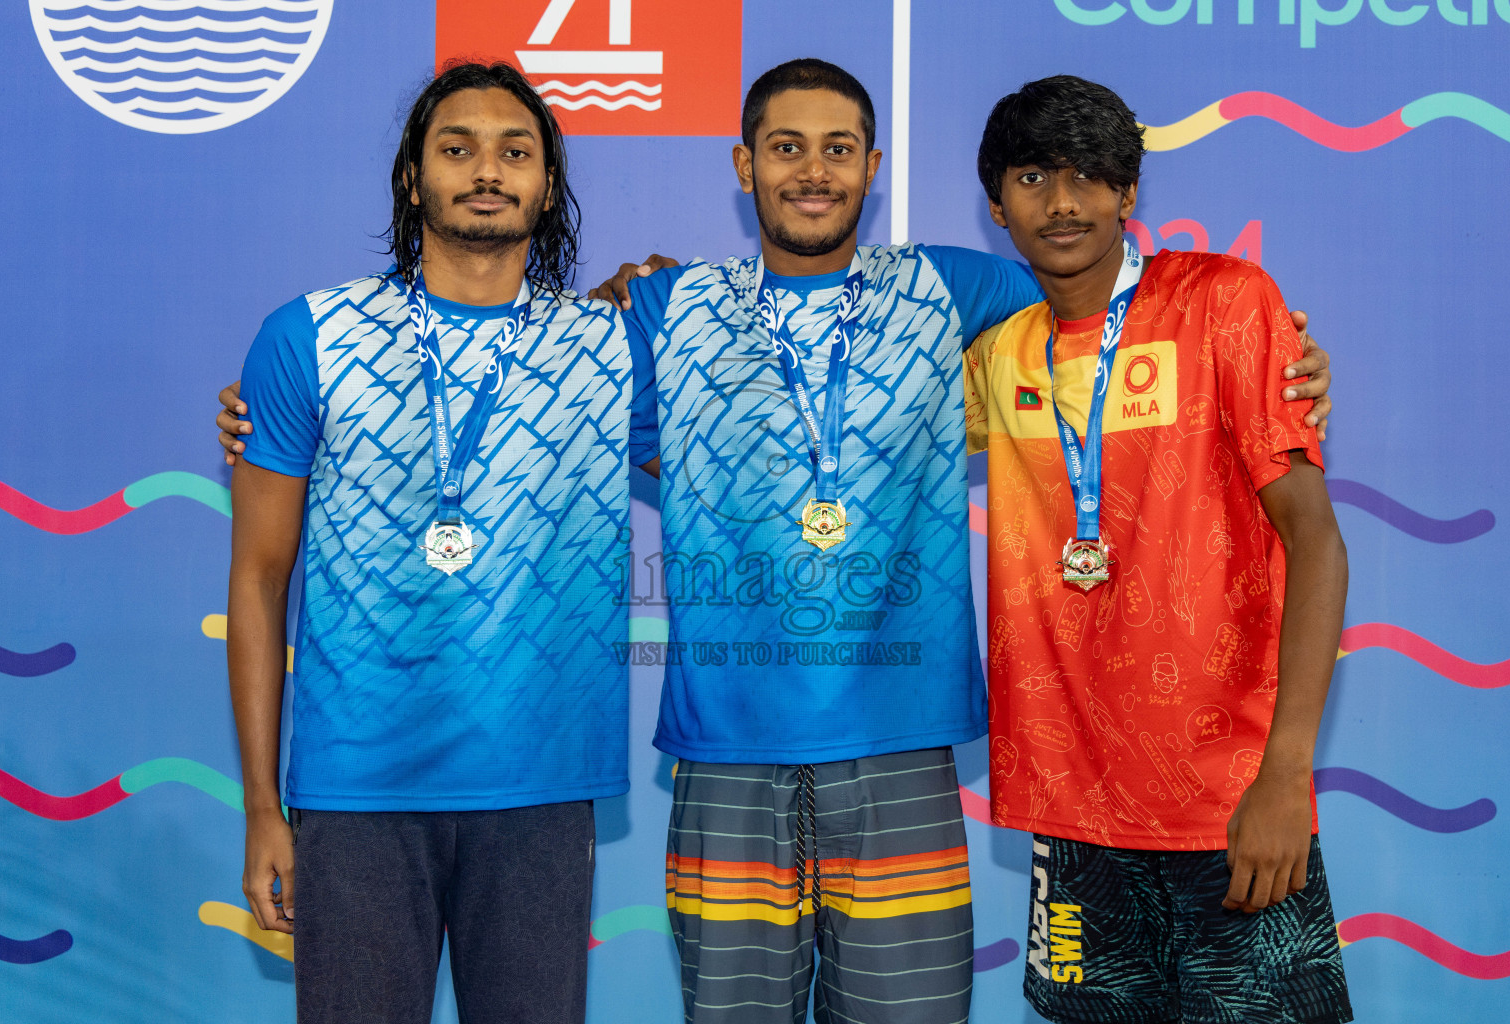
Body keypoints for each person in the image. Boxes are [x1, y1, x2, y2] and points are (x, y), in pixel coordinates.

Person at [219, 58, 1334, 1024]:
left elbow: (1101, 307)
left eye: (840, 148)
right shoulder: (656, 313)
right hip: (720, 761)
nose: (814, 169)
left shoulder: (952, 287)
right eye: (787, 147)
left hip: (899, 749)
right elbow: (498, 368)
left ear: (873, 167)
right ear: (743, 167)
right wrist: (270, 414)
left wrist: (1280, 356)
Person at [226, 61, 635, 1024]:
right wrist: (259, 808)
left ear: (547, 182)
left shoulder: (614, 345)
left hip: (540, 785)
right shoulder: (305, 339)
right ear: (414, 178)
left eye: (515, 151)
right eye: (457, 149)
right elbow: (257, 575)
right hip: (355, 789)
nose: (486, 170)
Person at [965, 76, 1351, 1024]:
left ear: (1129, 193)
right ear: (997, 205)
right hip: (1073, 814)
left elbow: (1317, 542)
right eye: (1033, 177)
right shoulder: (996, 355)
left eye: (1091, 176)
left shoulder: (1226, 301)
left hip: (1230, 804)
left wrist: (1286, 773)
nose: (1063, 202)